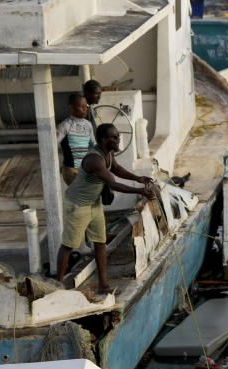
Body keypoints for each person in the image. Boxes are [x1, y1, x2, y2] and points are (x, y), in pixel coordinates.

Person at [56, 123, 155, 294]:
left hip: (94, 203)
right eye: (114, 137)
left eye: (118, 136)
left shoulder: (107, 153)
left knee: (100, 242)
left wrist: (138, 178)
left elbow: (116, 169)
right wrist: (140, 191)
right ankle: (57, 285)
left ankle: (103, 285)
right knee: (69, 244)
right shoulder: (94, 159)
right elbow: (113, 183)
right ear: (103, 140)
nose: (118, 140)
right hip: (77, 205)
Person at [56, 94, 95, 185]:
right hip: (71, 171)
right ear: (72, 108)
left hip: (85, 169)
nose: (85, 109)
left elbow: (93, 145)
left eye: (86, 106)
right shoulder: (65, 125)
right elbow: (52, 145)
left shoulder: (88, 124)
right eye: (81, 107)